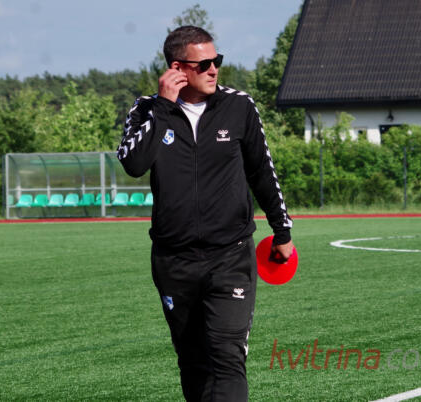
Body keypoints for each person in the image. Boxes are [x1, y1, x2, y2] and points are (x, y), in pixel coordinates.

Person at [117, 25, 294, 402]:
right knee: (193, 362)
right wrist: (164, 107)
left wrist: (282, 230)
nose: (214, 69)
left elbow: (262, 171)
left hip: (231, 255)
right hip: (174, 261)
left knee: (227, 357)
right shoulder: (147, 110)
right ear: (177, 69)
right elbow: (133, 163)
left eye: (217, 61)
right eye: (204, 64)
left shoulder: (239, 106)